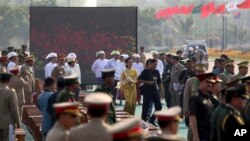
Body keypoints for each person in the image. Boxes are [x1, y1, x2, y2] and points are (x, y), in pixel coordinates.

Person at [182, 64, 206, 141]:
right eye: (198, 71)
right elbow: (186, 96)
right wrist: (185, 109)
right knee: (192, 128)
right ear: (196, 72)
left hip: (204, 109)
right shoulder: (190, 81)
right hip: (193, 109)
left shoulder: (208, 81)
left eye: (202, 72)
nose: (200, 73)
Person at [189, 73, 215, 141]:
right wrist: (195, 135)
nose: (209, 84)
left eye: (211, 82)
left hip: (210, 134)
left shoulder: (209, 98)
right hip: (201, 134)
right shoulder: (196, 98)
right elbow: (192, 117)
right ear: (200, 82)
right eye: (207, 82)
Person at [139, 59, 163, 125]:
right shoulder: (145, 71)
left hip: (155, 91)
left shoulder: (157, 72)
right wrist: (147, 82)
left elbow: (159, 82)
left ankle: (152, 120)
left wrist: (161, 92)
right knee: (145, 108)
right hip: (147, 91)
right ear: (150, 64)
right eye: (154, 64)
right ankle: (143, 121)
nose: (155, 65)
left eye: (156, 64)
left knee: (159, 106)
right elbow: (139, 80)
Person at [0, 72, 21, 141]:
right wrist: (18, 123)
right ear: (9, 80)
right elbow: (14, 110)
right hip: (7, 124)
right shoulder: (10, 92)